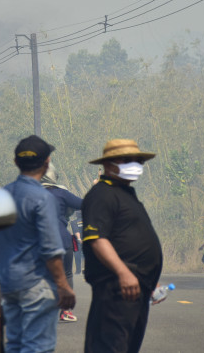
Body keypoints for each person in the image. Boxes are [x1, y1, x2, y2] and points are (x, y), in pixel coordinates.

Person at [0, 135, 76, 353]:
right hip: (35, 285)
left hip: (6, 284)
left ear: (16, 162)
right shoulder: (42, 197)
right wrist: (63, 286)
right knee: (37, 346)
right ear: (47, 163)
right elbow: (50, 248)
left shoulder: (2, 195)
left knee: (15, 343)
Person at [82, 138, 162, 353]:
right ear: (108, 165)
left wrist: (149, 280)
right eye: (126, 160)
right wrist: (123, 272)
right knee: (110, 346)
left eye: (138, 161)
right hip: (116, 288)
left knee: (127, 347)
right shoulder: (102, 194)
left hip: (135, 288)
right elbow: (97, 239)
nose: (134, 165)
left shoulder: (125, 194)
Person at [41, 162, 83, 322]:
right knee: (67, 274)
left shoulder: (31, 193)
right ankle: (65, 311)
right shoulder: (61, 193)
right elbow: (83, 204)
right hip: (63, 240)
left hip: (41, 242)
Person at [69, 210, 83, 275]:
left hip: (78, 241)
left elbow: (76, 231)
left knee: (77, 256)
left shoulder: (74, 222)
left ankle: (78, 271)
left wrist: (79, 239)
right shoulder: (87, 220)